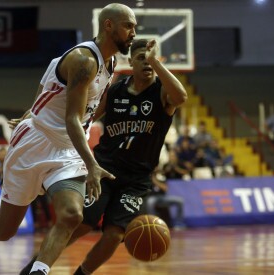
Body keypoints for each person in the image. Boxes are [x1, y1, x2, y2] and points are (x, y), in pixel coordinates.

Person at [0, 3, 136, 275]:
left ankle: (39, 272)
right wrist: (91, 163)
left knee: (71, 215)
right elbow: (71, 119)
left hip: (67, 149)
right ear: (108, 26)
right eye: (129, 26)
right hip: (35, 144)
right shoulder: (84, 61)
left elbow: (58, 95)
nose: (133, 33)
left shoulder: (111, 62)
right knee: (4, 230)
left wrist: (32, 111)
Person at [21, 37, 187, 275]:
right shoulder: (116, 90)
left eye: (152, 60)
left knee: (114, 234)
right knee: (80, 223)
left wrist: (157, 63)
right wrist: (37, 119)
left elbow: (181, 98)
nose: (147, 64)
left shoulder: (162, 92)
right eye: (141, 59)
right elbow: (83, 118)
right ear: (130, 62)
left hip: (137, 179)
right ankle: (34, 268)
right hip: (104, 168)